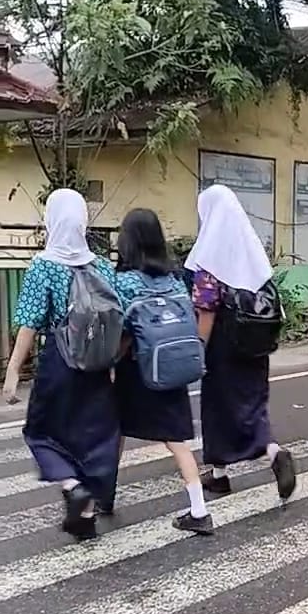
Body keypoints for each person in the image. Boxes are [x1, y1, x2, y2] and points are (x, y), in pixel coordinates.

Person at [2, 188, 120, 540]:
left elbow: (29, 322)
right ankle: (85, 512)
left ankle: (72, 486)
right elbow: (116, 317)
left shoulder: (44, 265)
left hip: (60, 362)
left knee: (41, 432)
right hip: (97, 366)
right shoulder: (101, 265)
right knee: (91, 435)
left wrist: (12, 372)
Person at [185, 184, 296, 503]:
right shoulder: (252, 251)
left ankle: (248, 464)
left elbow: (206, 311)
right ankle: (239, 466)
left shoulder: (210, 258)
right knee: (252, 406)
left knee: (218, 409)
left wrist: (198, 350)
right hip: (255, 346)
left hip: (223, 348)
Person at [113, 207, 214, 535]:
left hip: (136, 371)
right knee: (176, 440)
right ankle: (198, 508)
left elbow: (121, 329)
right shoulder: (173, 281)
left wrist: (110, 362)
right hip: (170, 369)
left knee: (114, 429)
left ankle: (103, 495)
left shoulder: (124, 281)